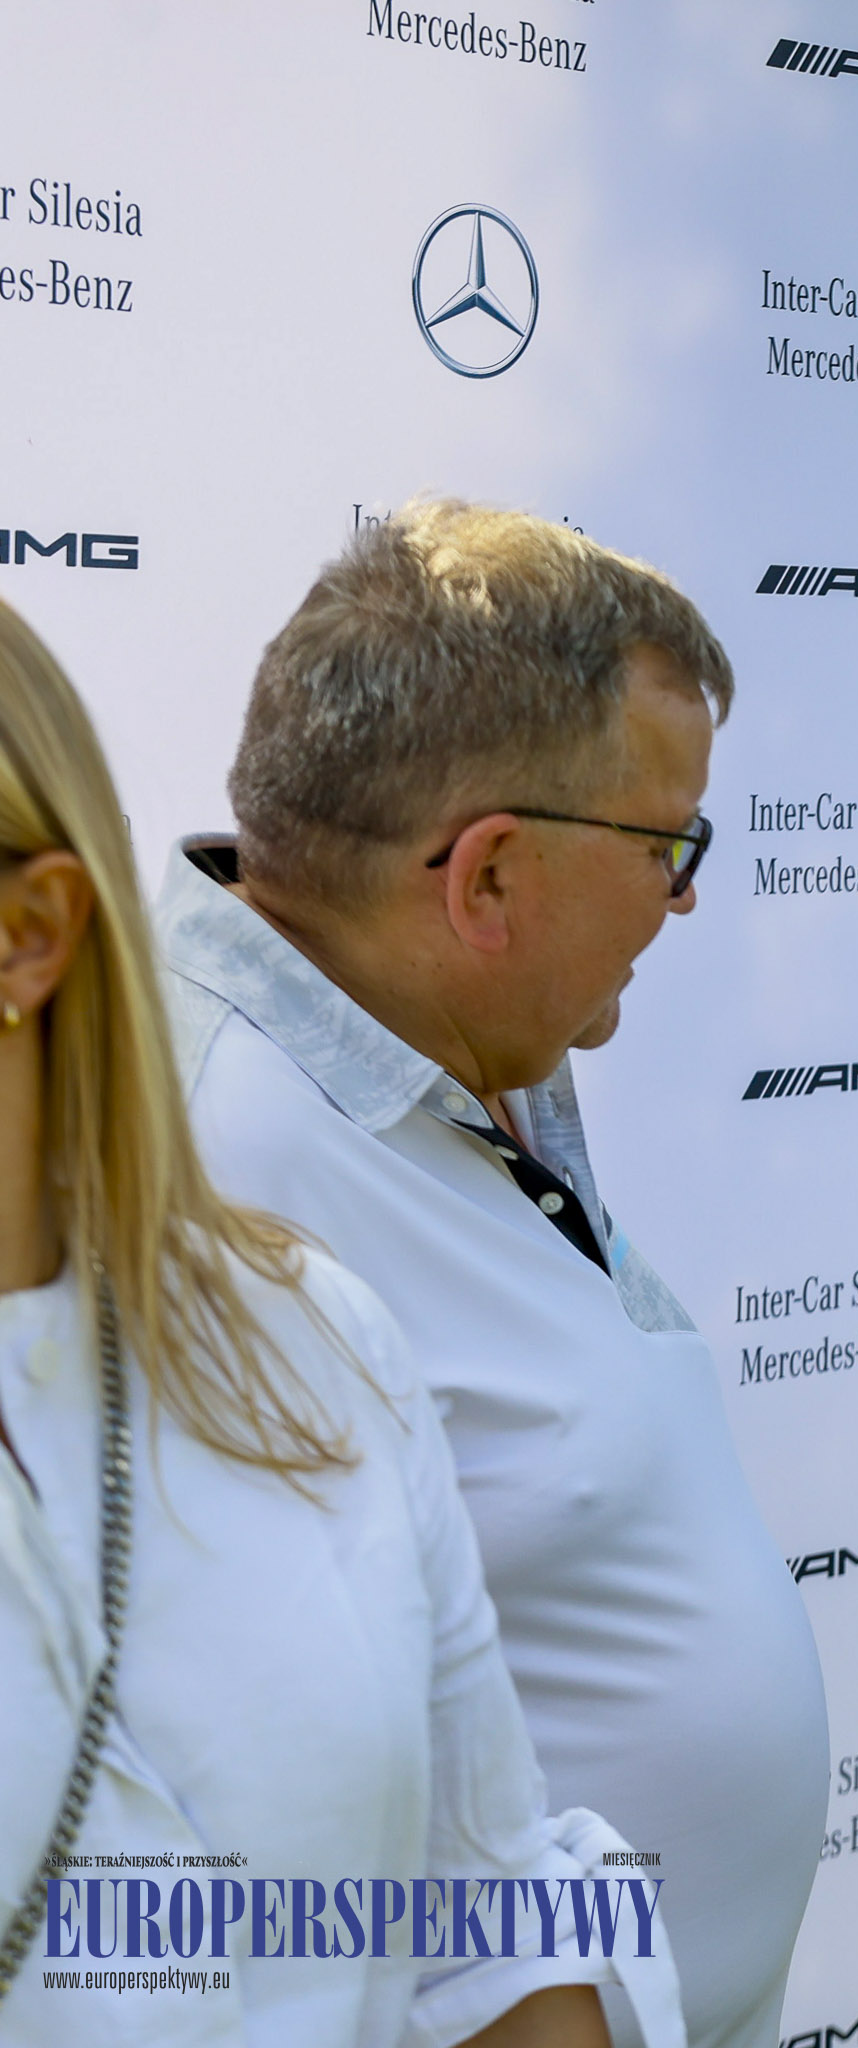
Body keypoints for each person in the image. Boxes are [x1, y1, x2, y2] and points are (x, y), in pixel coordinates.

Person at [149, 504, 826, 2048]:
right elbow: (193, 1837)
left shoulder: (438, 1049)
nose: (686, 896)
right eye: (669, 844)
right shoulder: (198, 1159)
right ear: (492, 878)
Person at [0, 599, 682, 2047]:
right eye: (660, 851)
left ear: (28, 937)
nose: (680, 904)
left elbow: (490, 1926)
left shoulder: (311, 1334)